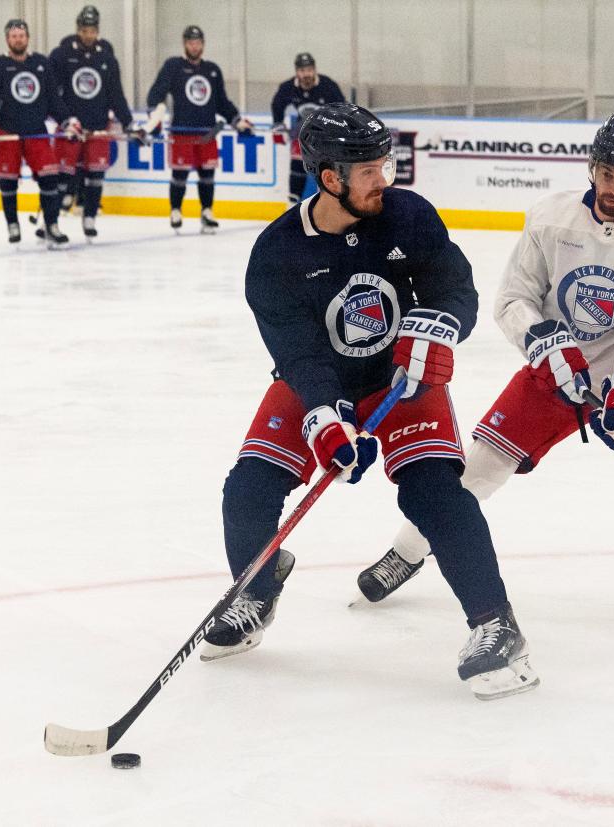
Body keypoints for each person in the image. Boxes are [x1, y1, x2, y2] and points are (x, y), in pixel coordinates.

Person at [356, 114, 614, 636]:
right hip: (554, 364)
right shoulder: (551, 219)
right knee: (479, 468)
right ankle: (407, 551)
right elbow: (513, 299)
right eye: (607, 173)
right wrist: (539, 340)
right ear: (592, 168)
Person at [200, 103, 539, 701]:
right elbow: (299, 357)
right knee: (248, 487)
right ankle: (256, 587)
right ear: (330, 178)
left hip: (403, 379)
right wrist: (326, 419)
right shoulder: (277, 254)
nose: (384, 179)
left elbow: (455, 289)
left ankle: (496, 625)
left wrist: (437, 328)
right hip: (319, 378)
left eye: (385, 165)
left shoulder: (407, 215)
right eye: (369, 171)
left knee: (433, 492)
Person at [0, 19, 80, 247]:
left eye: (22, 35)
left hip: (36, 132)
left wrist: (68, 121)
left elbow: (53, 100)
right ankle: (12, 224)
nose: (18, 39)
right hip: (9, 132)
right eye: (13, 36)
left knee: (50, 178)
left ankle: (51, 225)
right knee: (8, 181)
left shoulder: (41, 63)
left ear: (27, 38)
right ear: (7, 39)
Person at [144, 25, 253, 234]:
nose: (195, 46)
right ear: (185, 44)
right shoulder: (173, 66)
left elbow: (222, 102)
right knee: (180, 174)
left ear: (203, 45)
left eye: (198, 43)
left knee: (207, 174)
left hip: (207, 132)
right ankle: (176, 210)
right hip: (181, 131)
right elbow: (157, 92)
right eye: (191, 42)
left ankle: (207, 212)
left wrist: (237, 120)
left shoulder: (212, 70)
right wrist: (154, 114)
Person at [49, 5, 143, 240]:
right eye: (84, 30)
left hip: (99, 126)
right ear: (78, 30)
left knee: (95, 176)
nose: (88, 35)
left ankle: (89, 216)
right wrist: (60, 118)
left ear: (97, 31)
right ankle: (50, 220)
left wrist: (128, 122)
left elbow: (116, 95)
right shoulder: (62, 55)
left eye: (92, 30)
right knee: (62, 176)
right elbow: (51, 91)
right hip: (72, 128)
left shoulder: (106, 58)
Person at [271, 52, 346, 205]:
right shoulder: (289, 87)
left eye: (310, 70)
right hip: (303, 133)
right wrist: (278, 123)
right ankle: (292, 204)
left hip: (326, 136)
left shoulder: (328, 86)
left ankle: (330, 204)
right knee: (297, 163)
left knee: (327, 170)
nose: (307, 74)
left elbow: (342, 109)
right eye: (303, 71)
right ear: (297, 72)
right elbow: (277, 105)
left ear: (315, 70)